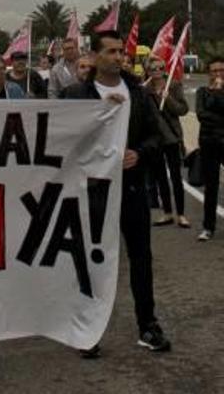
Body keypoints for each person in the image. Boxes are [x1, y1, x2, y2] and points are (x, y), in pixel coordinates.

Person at [63, 30, 171, 355]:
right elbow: (63, 140)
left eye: (120, 51)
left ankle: (147, 325)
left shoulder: (138, 93)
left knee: (140, 257)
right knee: (91, 259)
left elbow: (158, 136)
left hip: (132, 188)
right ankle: (89, 329)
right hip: (93, 190)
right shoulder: (75, 95)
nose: (117, 56)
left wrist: (139, 153)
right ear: (94, 56)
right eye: (109, 51)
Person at [144, 57, 190, 228]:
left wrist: (168, 98)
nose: (157, 70)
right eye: (152, 68)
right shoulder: (145, 89)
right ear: (147, 71)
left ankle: (181, 214)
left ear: (164, 68)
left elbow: (183, 110)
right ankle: (167, 213)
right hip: (154, 140)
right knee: (160, 177)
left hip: (171, 138)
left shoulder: (174, 85)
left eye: (160, 67)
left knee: (176, 177)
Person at [196, 57, 224, 241]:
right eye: (214, 71)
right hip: (209, 143)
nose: (218, 74)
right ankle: (208, 227)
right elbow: (201, 115)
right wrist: (215, 93)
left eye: (221, 70)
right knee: (211, 186)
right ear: (209, 73)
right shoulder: (202, 91)